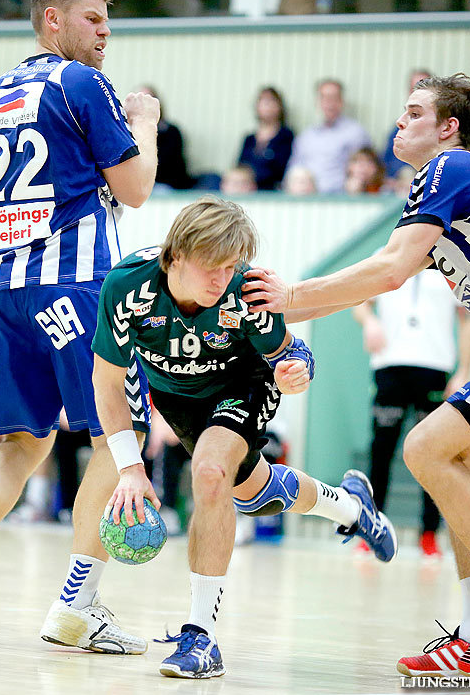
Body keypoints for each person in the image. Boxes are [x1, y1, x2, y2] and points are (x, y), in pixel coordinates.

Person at [243, 73, 470, 679]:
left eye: (413, 112)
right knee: (456, 469)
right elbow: (369, 283)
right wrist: (267, 312)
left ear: (447, 129)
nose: (399, 122)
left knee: (423, 449)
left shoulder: (454, 169)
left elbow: (388, 270)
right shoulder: (450, 194)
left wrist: (286, 293)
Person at [0, 0, 160, 655]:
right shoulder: (80, 81)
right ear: (52, 18)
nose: (105, 32)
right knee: (117, 442)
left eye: (108, 20)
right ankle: (76, 606)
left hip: (6, 283)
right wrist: (146, 123)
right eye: (92, 18)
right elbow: (135, 188)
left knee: (20, 442)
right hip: (73, 282)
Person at [91, 195, 397, 679]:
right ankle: (353, 507)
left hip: (242, 384)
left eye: (231, 265)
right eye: (212, 265)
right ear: (175, 256)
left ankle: (200, 636)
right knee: (252, 493)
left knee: (210, 473)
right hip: (178, 396)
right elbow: (106, 383)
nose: (221, 278)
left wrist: (296, 371)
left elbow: (289, 353)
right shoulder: (126, 287)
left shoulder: (244, 290)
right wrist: (129, 468)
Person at [353, 272, 470, 557]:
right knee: (380, 451)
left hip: (434, 369)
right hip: (389, 366)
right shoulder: (387, 255)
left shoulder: (452, 266)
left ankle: (429, 535)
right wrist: (369, 321)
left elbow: (467, 322)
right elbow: (358, 302)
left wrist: (463, 372)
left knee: (435, 454)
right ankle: (370, 530)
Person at [287, 79, 370, 194]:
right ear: (317, 102)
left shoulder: (356, 133)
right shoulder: (306, 136)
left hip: (343, 200)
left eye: (334, 98)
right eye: (324, 98)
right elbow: (293, 170)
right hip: (306, 200)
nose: (329, 103)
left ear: (342, 102)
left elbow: (366, 169)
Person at [382, 69, 432, 194]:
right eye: (414, 88)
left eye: (423, 89)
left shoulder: (438, 128)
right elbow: (386, 165)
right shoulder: (398, 128)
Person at [136, 84, 193, 190]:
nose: (142, 104)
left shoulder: (170, 131)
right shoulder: (126, 130)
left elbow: (169, 164)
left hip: (163, 184)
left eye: (147, 99)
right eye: (139, 100)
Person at [237, 87, 294, 190]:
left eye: (271, 100)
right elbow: (239, 166)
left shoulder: (286, 136)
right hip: (245, 190)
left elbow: (283, 169)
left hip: (273, 191)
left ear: (280, 106)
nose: (267, 105)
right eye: (263, 101)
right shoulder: (249, 139)